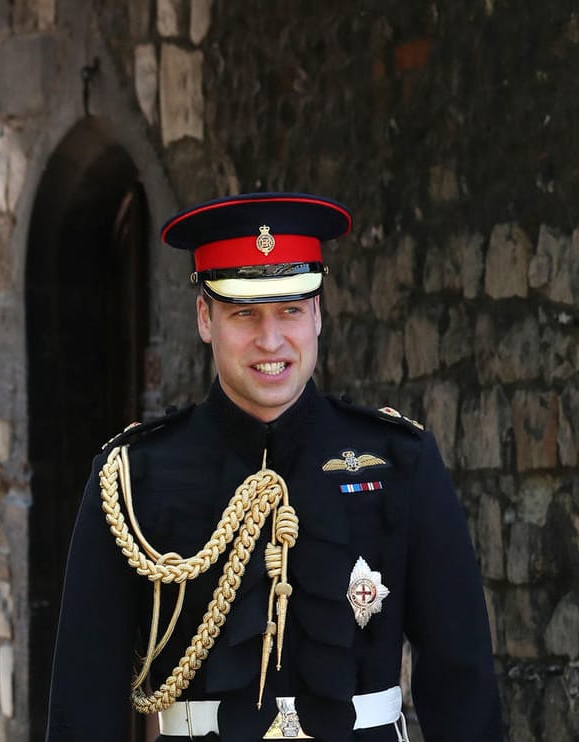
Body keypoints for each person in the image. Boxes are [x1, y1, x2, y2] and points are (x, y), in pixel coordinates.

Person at [46, 193, 503, 741]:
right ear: (204, 318)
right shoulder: (133, 477)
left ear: (317, 314)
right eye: (244, 313)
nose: (271, 339)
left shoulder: (400, 460)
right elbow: (83, 700)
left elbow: (462, 681)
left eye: (290, 309)